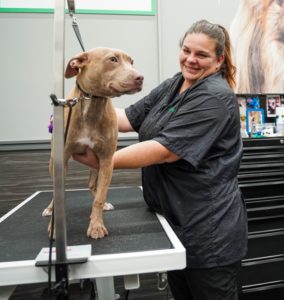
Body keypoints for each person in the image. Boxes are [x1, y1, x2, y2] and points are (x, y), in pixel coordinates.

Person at [73, 19, 248, 300]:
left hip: (208, 232)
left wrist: (103, 161)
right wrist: (75, 113)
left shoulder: (216, 98)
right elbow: (127, 119)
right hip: (173, 221)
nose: (191, 60)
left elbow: (164, 150)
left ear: (218, 61)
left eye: (201, 55)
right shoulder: (175, 84)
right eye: (186, 50)